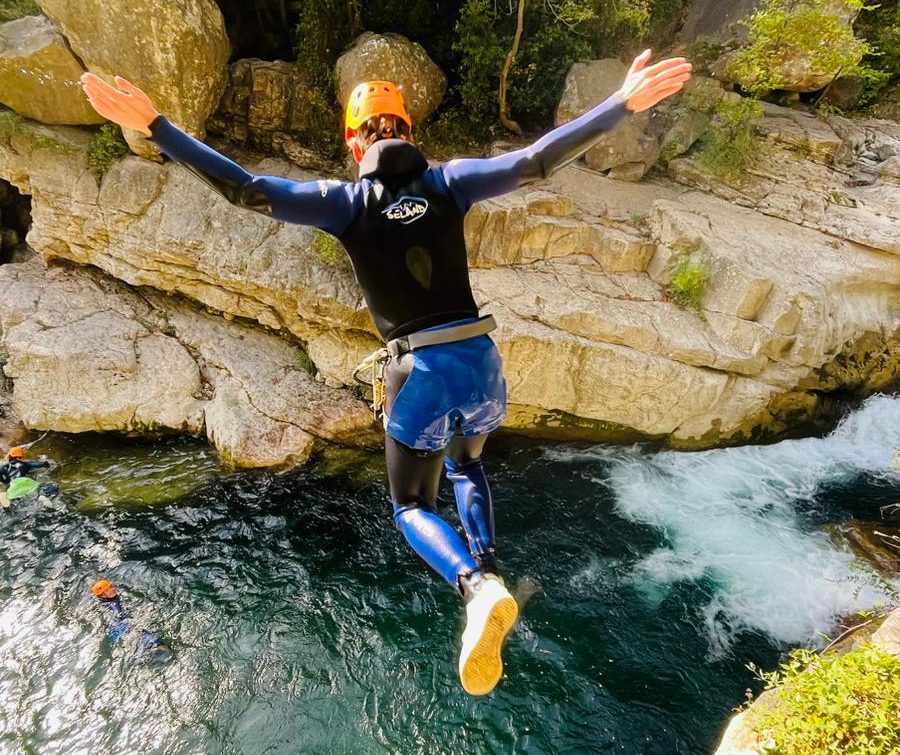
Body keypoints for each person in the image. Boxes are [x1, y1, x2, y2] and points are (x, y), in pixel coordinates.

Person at [80, 50, 691, 695]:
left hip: (422, 370)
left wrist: (157, 127)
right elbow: (535, 160)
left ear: (354, 143)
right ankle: (490, 567)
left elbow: (247, 188)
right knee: (467, 466)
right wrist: (620, 103)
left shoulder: (346, 203)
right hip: (482, 366)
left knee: (411, 506)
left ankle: (475, 587)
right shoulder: (451, 182)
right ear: (408, 130)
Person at [91, 579, 171, 659]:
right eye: (107, 590)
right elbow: (120, 617)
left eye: (111, 586)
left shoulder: (106, 602)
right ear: (103, 595)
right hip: (124, 630)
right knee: (155, 642)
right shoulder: (113, 605)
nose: (112, 589)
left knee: (142, 652)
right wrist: (143, 615)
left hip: (119, 634)